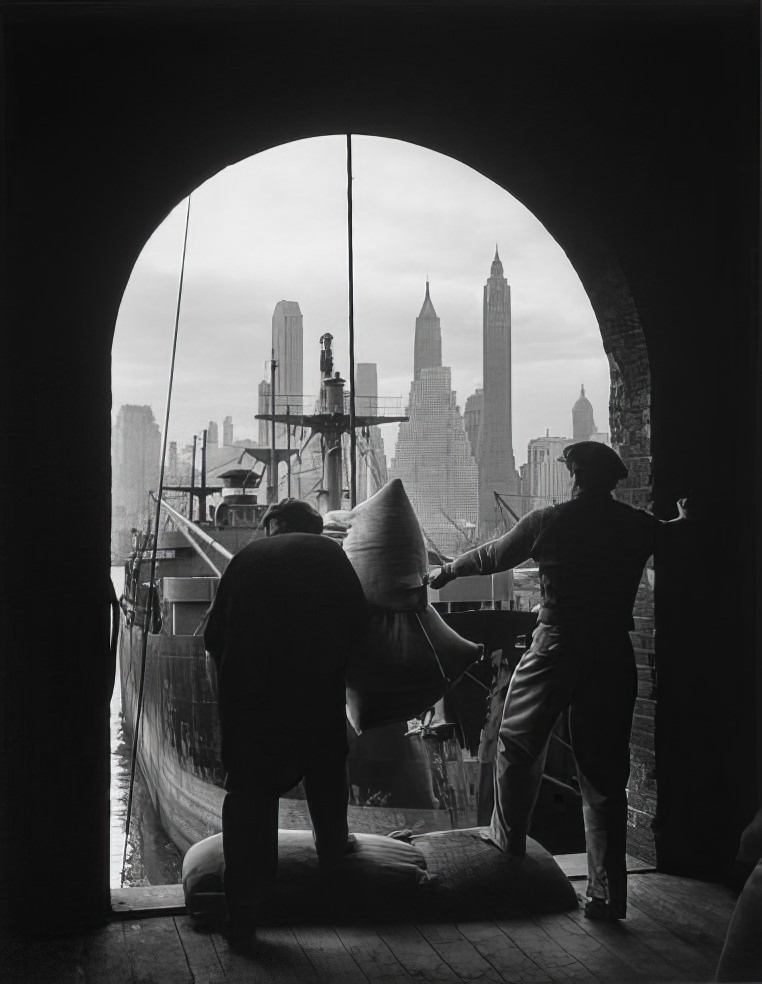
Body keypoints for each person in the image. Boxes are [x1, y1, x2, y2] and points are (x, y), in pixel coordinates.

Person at [429, 441, 689, 921]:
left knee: (517, 741)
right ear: (612, 480)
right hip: (613, 648)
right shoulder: (635, 525)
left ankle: (507, 843)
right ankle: (607, 897)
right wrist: (684, 517)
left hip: (556, 642)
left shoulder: (549, 521)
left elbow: (492, 556)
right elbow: (676, 537)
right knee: (605, 772)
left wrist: (446, 571)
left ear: (573, 476)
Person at [204, 497, 368, 945]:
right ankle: (335, 855)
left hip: (250, 698)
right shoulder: (330, 553)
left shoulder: (244, 558)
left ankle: (242, 918)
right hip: (314, 689)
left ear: (273, 525)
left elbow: (213, 635)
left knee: (250, 796)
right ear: (315, 528)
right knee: (326, 770)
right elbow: (359, 621)